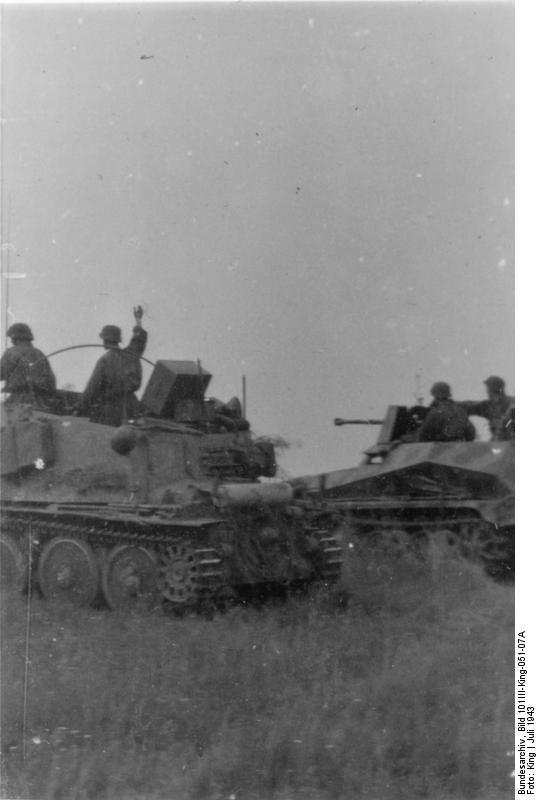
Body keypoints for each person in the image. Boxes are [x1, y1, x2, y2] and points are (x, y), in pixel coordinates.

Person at [79, 306, 147, 426]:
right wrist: (138, 320)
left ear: (105, 340)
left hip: (112, 412)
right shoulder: (130, 354)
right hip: (132, 409)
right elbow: (139, 340)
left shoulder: (105, 360)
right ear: (118, 340)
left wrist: (79, 407)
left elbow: (92, 388)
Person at [0, 322, 56, 407]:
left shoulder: (12, 352)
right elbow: (51, 381)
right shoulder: (40, 353)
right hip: (42, 403)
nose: (11, 340)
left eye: (11, 337)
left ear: (15, 336)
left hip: (19, 401)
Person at [461, 376, 514, 441]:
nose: (487, 392)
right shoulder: (489, 405)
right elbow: (470, 406)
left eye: (488, 389)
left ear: (493, 389)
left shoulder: (510, 404)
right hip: (499, 444)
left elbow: (470, 406)